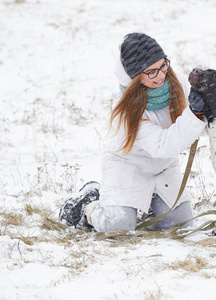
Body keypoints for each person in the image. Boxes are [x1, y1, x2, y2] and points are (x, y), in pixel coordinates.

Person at [59, 32, 206, 232]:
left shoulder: (178, 84)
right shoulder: (127, 107)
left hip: (163, 167)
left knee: (180, 225)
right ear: (136, 76)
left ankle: (151, 206)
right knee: (118, 228)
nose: (161, 75)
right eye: (151, 71)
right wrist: (195, 115)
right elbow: (162, 145)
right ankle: (89, 203)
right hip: (128, 166)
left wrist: (213, 104)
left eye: (163, 65)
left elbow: (206, 122)